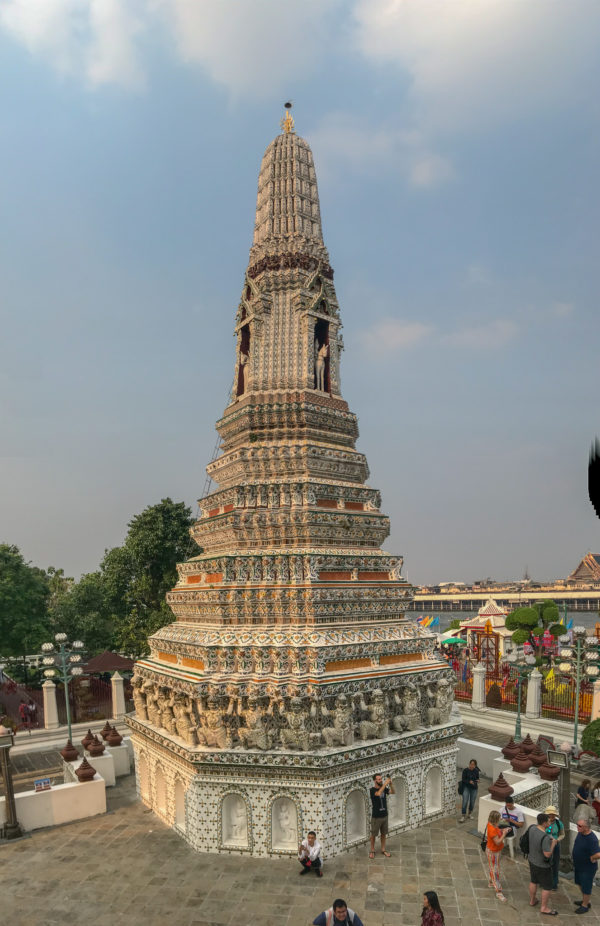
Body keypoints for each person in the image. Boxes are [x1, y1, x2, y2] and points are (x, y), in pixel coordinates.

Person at [528, 812, 557, 915]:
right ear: (545, 823)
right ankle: (544, 908)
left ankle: (532, 900)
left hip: (532, 860)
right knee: (547, 886)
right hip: (542, 865)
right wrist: (553, 844)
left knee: (533, 881)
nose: (550, 822)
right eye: (548, 821)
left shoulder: (532, 828)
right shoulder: (544, 837)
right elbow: (547, 854)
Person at [572, 817, 600, 914]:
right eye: (577, 824)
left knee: (586, 886)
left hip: (587, 868)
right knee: (580, 884)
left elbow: (598, 853)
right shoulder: (580, 833)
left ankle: (585, 905)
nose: (577, 827)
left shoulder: (592, 839)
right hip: (579, 865)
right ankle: (585, 900)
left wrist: (593, 857)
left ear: (586, 827)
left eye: (580, 826)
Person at [369, 772, 395, 858]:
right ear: (375, 780)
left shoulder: (383, 788)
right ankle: (372, 850)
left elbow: (393, 792)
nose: (381, 780)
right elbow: (378, 793)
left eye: (381, 779)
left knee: (383, 834)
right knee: (373, 834)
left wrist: (390, 784)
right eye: (379, 779)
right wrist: (385, 784)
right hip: (376, 816)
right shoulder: (372, 790)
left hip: (384, 815)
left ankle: (383, 849)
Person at [485, 810, 507, 903]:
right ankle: (498, 891)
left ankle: (491, 882)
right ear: (495, 820)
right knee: (495, 871)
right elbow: (497, 841)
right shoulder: (492, 829)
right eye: (499, 818)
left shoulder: (492, 825)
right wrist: (504, 834)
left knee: (494, 868)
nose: (500, 819)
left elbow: (497, 830)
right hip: (492, 852)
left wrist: (502, 830)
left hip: (496, 851)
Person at [544, 805, 565, 890]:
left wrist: (557, 840)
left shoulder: (558, 823)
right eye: (550, 815)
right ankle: (545, 881)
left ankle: (554, 883)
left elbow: (562, 834)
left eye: (553, 815)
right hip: (545, 845)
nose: (551, 816)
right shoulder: (544, 822)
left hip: (555, 845)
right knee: (545, 863)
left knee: (555, 864)